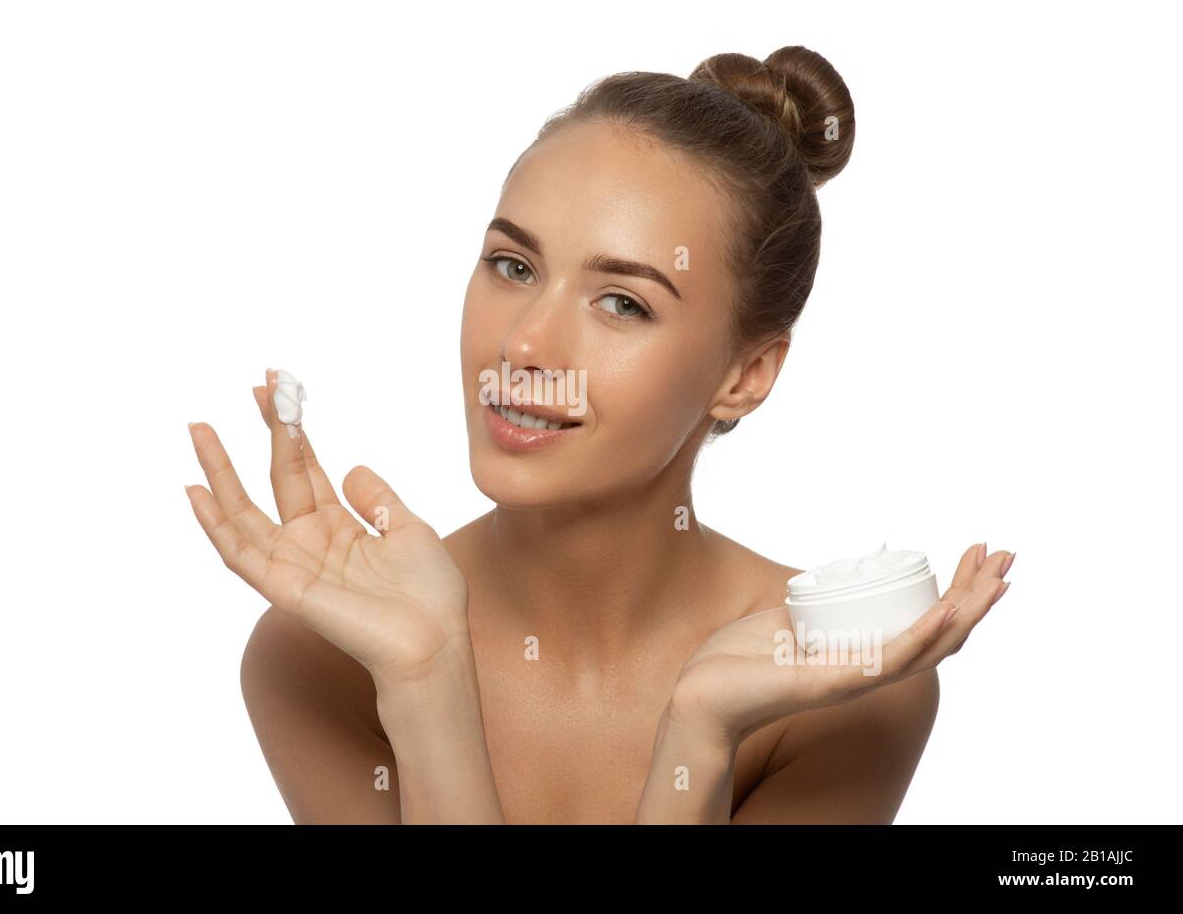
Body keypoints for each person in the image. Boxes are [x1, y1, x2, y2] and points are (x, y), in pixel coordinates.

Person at [184, 46, 1015, 823]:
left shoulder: (845, 684)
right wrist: (424, 680)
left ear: (745, 375)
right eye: (513, 266)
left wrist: (700, 731)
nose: (524, 346)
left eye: (623, 302)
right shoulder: (322, 658)